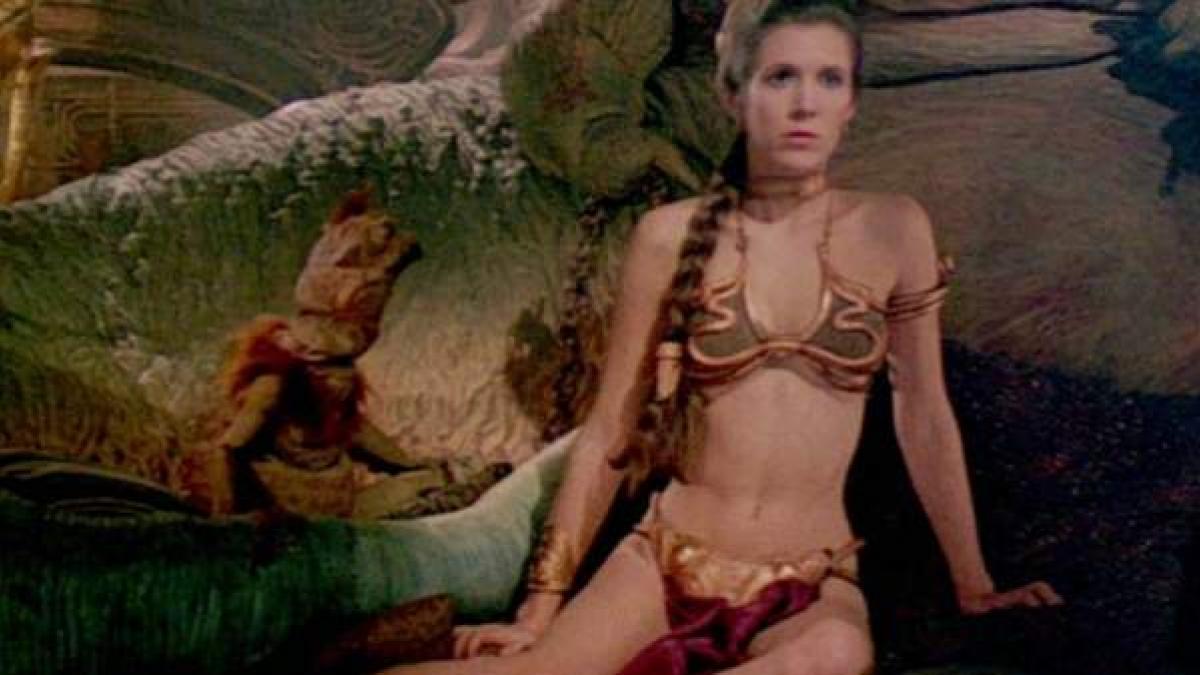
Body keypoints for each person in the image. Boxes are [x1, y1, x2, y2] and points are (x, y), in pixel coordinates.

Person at [385, 1, 1061, 673]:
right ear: (733, 94)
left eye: (828, 79)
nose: (805, 104)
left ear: (852, 102)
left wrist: (973, 582)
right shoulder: (668, 236)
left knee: (834, 652)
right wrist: (539, 608)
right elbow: (609, 430)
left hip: (811, 579)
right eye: (781, 77)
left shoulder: (895, 228)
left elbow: (925, 415)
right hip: (666, 560)